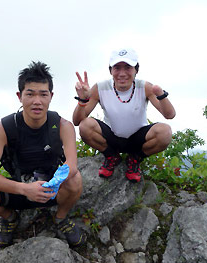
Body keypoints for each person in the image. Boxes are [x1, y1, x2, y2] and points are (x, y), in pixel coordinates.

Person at [0, 61, 85, 248]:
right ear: (20, 96)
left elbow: (71, 165)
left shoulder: (63, 126)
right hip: (18, 188)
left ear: (51, 96)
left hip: (51, 189)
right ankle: (10, 218)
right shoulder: (4, 128)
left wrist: (50, 185)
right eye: (30, 94)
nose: (37, 101)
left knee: (75, 179)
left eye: (43, 94)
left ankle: (60, 218)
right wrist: (25, 189)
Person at [72, 47, 176, 182]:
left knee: (165, 132)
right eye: (117, 68)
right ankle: (111, 156)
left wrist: (161, 96)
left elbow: (170, 115)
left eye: (128, 67)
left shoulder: (144, 87)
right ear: (110, 70)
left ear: (136, 70)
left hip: (137, 138)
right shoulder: (100, 88)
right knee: (85, 126)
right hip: (111, 137)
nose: (122, 73)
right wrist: (83, 100)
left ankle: (135, 158)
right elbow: (77, 121)